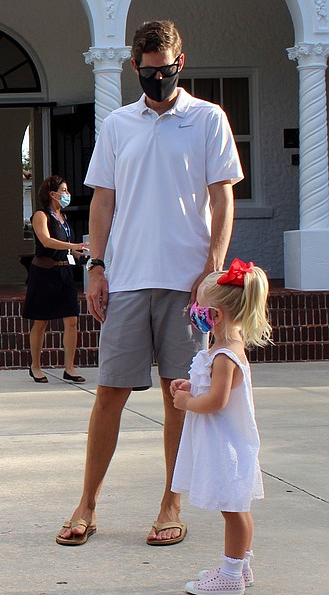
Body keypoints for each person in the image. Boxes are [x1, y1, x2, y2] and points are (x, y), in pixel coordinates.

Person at [56, 19, 243, 546]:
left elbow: (222, 197)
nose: (157, 78)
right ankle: (86, 503)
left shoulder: (208, 120)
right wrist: (96, 265)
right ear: (135, 67)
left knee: (178, 394)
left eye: (166, 70)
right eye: (148, 71)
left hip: (189, 284)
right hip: (129, 279)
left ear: (179, 64)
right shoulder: (118, 125)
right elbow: (103, 201)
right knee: (109, 392)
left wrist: (212, 267)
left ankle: (170, 505)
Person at [171, 259, 271, 595]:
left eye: (200, 306)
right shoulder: (221, 350)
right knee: (236, 509)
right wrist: (191, 386)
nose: (195, 311)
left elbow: (217, 402)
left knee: (234, 510)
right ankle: (240, 566)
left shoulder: (226, 354)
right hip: (224, 443)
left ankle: (230, 575)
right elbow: (212, 389)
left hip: (227, 447)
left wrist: (187, 404)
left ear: (216, 315)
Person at [23, 175, 89, 383]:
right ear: (53, 194)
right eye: (64, 190)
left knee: (72, 320)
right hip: (44, 273)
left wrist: (79, 254)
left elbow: (65, 248)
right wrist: (73, 246)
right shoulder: (41, 215)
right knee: (41, 321)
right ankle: (36, 366)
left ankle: (69, 367)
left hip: (64, 272)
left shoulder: (64, 218)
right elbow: (46, 241)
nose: (67, 194)